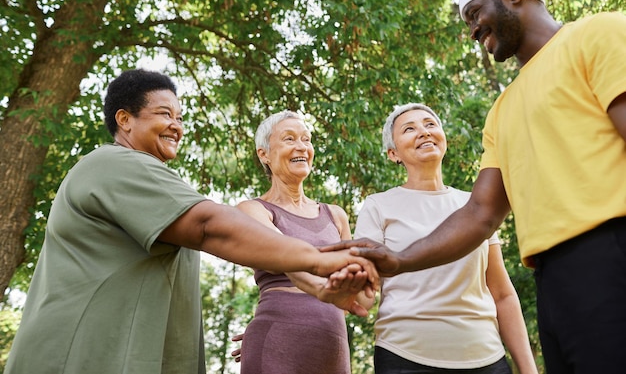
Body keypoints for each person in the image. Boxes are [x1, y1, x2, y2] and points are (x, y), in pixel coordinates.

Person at [323, 0, 626, 374]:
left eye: (474, 14)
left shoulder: (599, 33)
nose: (471, 30)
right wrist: (399, 260)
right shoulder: (501, 110)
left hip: (611, 253)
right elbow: (481, 214)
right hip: (554, 282)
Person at [4, 69, 378, 374]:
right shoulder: (114, 164)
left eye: (180, 117)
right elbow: (208, 226)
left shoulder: (151, 178)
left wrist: (317, 289)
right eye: (165, 114)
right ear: (125, 120)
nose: (177, 126)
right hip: (83, 357)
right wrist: (320, 260)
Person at [355, 103, 536, 374]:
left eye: (430, 125)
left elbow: (502, 294)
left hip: (486, 358)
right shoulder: (378, 206)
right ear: (393, 153)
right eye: (409, 129)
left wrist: (528, 369)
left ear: (443, 138)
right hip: (404, 357)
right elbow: (365, 292)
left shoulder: (476, 207)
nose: (424, 132)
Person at [235, 110, 374, 374]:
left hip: (331, 345)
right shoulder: (252, 210)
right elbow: (286, 257)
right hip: (276, 340)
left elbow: (362, 302)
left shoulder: (336, 215)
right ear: (264, 153)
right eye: (289, 139)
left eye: (306, 139)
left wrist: (365, 281)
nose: (301, 147)